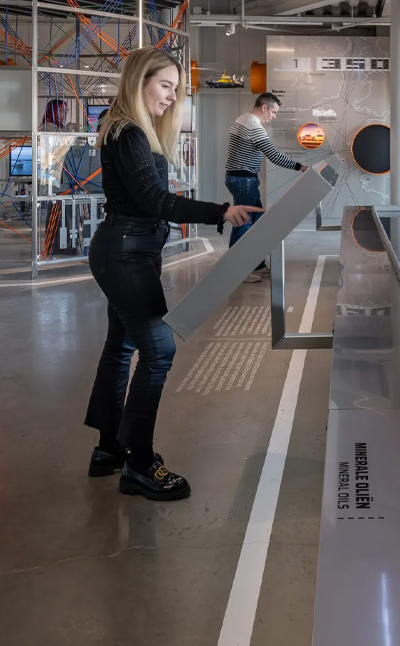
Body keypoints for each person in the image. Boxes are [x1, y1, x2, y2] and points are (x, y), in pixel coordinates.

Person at [83, 47, 260, 501]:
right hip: (127, 252)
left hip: (127, 248)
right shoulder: (128, 132)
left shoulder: (127, 129)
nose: (171, 96)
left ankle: (109, 449)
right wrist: (221, 211)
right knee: (158, 350)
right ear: (139, 81)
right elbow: (156, 202)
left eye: (176, 89)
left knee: (121, 346)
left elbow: (150, 201)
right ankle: (139, 464)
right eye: (165, 85)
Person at [224, 92, 305, 281]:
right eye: (274, 112)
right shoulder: (253, 125)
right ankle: (237, 271)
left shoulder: (242, 119)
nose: (274, 117)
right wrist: (300, 167)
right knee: (243, 222)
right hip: (244, 180)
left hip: (242, 178)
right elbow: (274, 156)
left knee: (257, 221)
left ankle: (256, 264)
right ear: (264, 108)